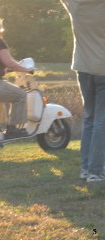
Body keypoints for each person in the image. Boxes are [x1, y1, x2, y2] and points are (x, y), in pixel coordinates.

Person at [61, 0, 105, 182]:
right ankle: (96, 171)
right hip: (103, 69)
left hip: (84, 69)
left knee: (89, 118)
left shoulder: (76, 5)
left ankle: (86, 169)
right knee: (101, 122)